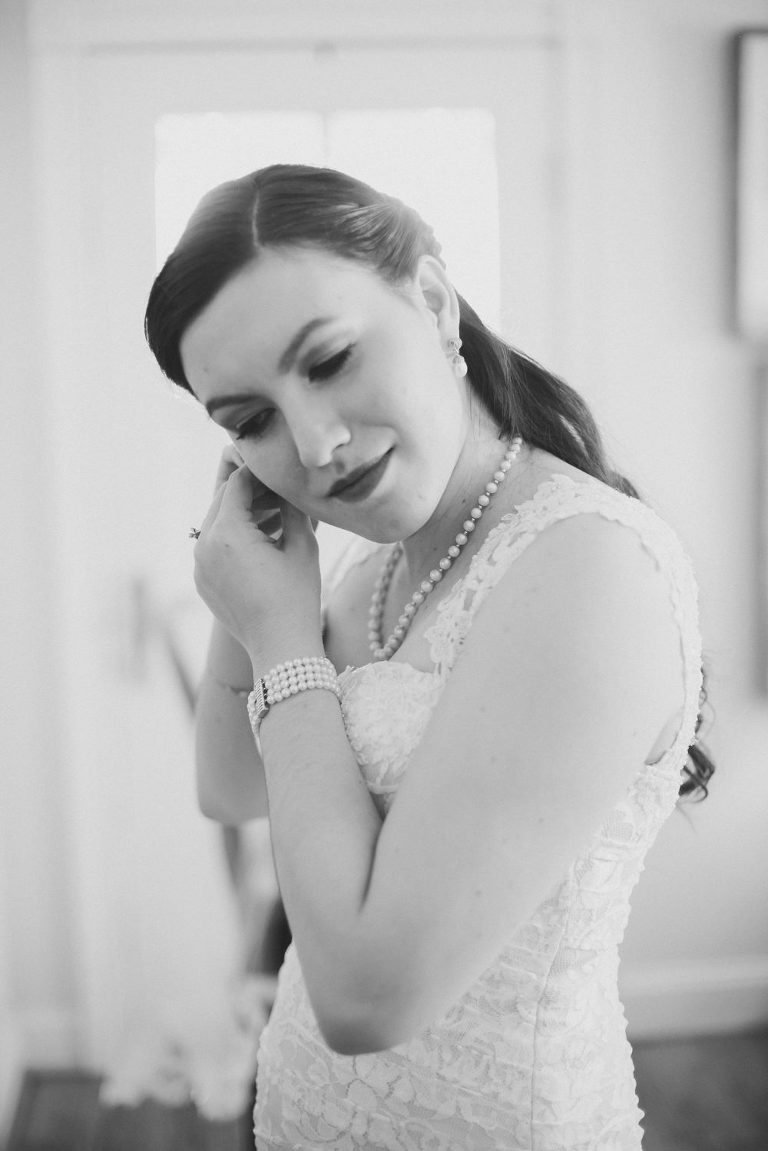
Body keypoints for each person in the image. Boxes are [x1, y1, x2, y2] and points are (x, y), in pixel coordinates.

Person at [144, 164, 714, 1151]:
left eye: (328, 360)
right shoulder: (372, 570)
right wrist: (249, 582)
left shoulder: (585, 565)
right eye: (251, 419)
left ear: (435, 302)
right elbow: (230, 786)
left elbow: (367, 997)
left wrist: (281, 636)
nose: (314, 443)